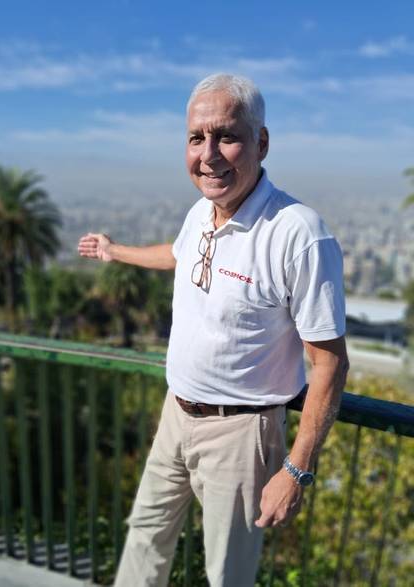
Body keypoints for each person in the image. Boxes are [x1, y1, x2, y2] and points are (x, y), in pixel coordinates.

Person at [78, 73, 349, 587]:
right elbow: (179, 257)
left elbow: (330, 362)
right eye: (196, 139)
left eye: (227, 136)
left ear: (260, 142)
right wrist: (116, 253)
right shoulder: (203, 211)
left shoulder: (298, 235)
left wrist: (296, 469)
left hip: (241, 434)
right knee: (144, 541)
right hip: (175, 414)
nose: (209, 155)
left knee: (226, 574)